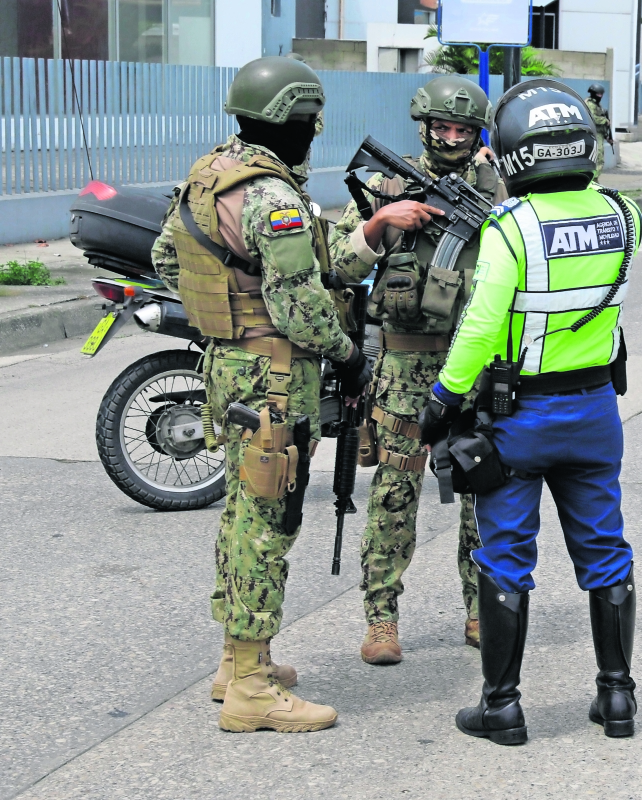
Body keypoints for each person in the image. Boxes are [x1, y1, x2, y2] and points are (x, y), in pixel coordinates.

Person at [151, 57, 437, 732]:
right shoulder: (274, 198)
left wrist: (231, 306)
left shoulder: (211, 174)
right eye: (310, 122)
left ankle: (235, 662)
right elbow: (303, 306)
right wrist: (347, 354)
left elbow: (169, 259)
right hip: (275, 379)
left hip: (228, 367)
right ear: (292, 121)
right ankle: (252, 689)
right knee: (268, 526)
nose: (314, 133)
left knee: (241, 514)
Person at [418, 79, 641, 746]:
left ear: (513, 153)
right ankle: (618, 698)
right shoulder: (626, 214)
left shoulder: (508, 229)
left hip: (519, 418)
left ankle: (503, 707)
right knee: (605, 553)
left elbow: (482, 328)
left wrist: (442, 401)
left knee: (506, 558)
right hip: (596, 410)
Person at [326, 75, 506, 663]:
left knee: (483, 488)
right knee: (396, 490)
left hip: (476, 360)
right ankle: (381, 618)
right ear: (423, 126)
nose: (452, 138)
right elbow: (336, 268)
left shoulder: (500, 190)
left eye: (464, 129)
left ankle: (482, 607)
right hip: (406, 360)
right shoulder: (385, 186)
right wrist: (379, 226)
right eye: (442, 127)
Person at [584, 83, 613, 177]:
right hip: (593, 133)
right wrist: (605, 121)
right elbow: (592, 118)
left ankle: (594, 178)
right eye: (598, 94)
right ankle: (594, 179)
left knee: (599, 157)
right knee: (598, 157)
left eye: (601, 94)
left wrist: (607, 136)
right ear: (593, 93)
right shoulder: (590, 104)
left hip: (599, 134)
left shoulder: (597, 104)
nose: (600, 96)